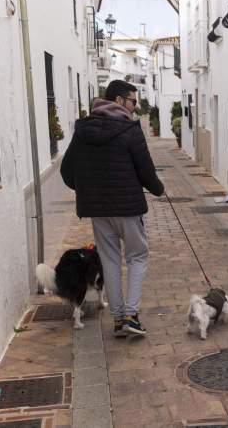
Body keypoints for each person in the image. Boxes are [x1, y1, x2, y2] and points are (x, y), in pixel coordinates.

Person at [61, 80, 164, 337]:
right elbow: (146, 170)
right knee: (137, 256)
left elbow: (67, 171)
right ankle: (130, 314)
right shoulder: (129, 129)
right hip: (128, 208)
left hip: (97, 211)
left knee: (110, 262)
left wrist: (88, 190)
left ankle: (118, 320)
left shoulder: (83, 130)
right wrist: (159, 189)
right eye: (133, 101)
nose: (135, 107)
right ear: (119, 100)